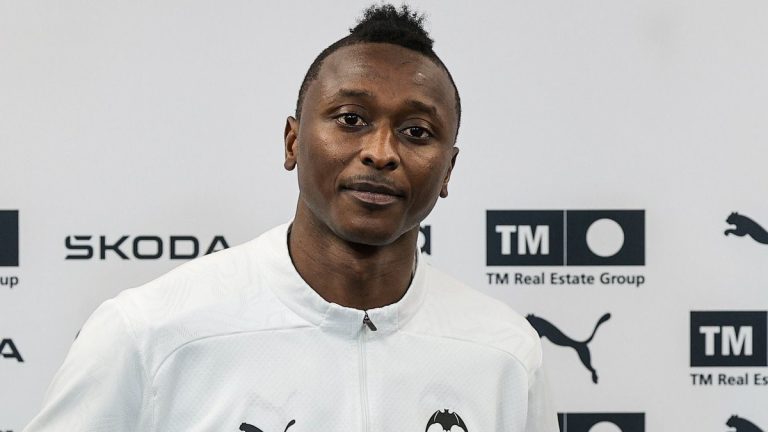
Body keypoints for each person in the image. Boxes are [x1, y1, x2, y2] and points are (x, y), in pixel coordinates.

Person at [25, 4, 557, 431]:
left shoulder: (504, 351)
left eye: (416, 132)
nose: (380, 152)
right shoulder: (149, 333)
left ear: (448, 170)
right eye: (351, 119)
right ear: (292, 141)